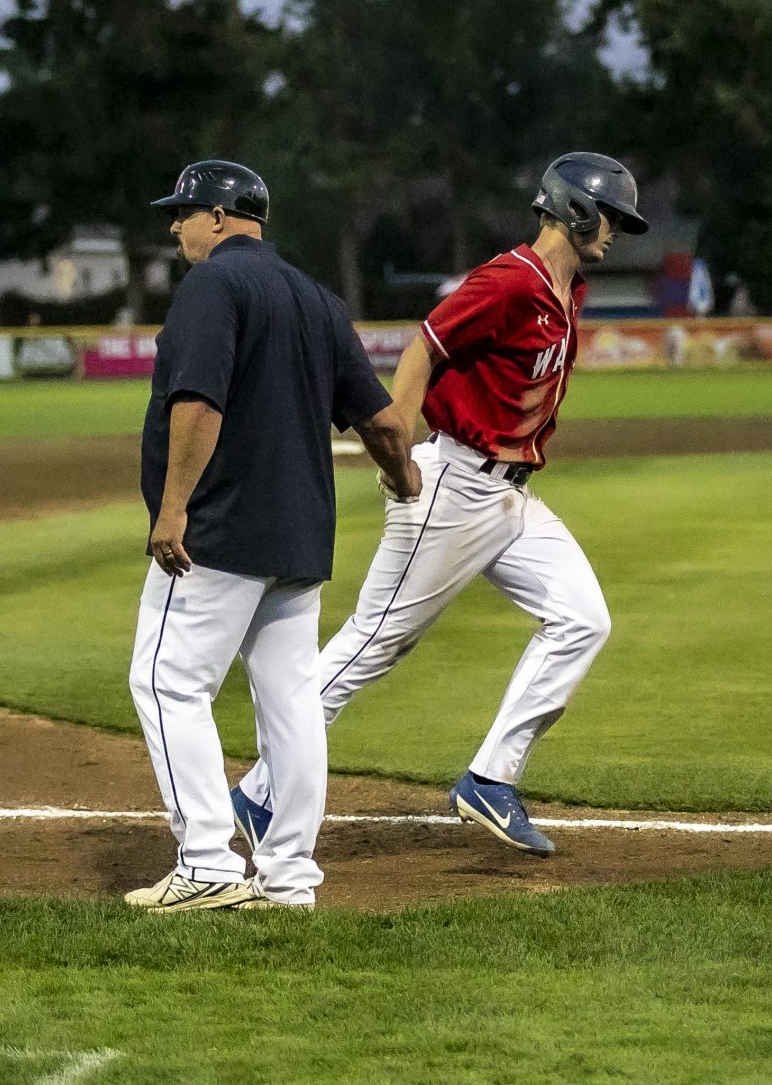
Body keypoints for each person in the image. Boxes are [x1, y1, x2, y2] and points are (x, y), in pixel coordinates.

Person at [232, 152, 648, 857]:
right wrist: (394, 443)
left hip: (510, 499)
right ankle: (259, 791)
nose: (616, 232)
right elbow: (426, 345)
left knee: (582, 618)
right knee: (372, 644)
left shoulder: (566, 289)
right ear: (575, 209)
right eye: (610, 216)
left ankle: (491, 778)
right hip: (453, 484)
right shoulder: (511, 280)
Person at [126, 160, 418, 912]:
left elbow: (198, 402)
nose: (176, 225)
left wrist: (172, 506)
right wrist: (401, 475)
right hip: (299, 537)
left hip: (219, 529)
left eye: (184, 212)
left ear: (220, 217)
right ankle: (288, 878)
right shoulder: (317, 299)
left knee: (167, 682)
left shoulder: (214, 287)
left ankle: (206, 863)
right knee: (290, 702)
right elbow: (381, 419)